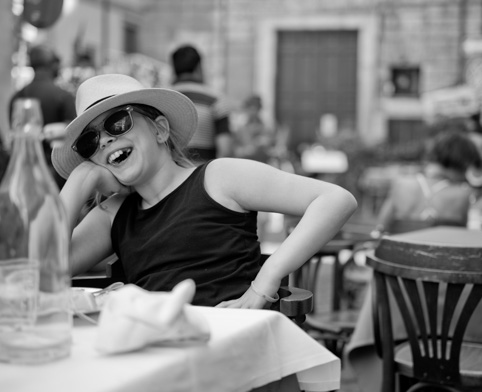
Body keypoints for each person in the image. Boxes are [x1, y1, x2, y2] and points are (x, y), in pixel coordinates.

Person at [52, 74, 357, 308]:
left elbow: (335, 199)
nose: (104, 140)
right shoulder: (113, 214)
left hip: (229, 349)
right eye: (90, 141)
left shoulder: (218, 178)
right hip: (155, 358)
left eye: (118, 123)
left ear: (160, 129)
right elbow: (42, 272)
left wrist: (265, 282)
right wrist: (82, 179)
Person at [371, 131, 480, 237]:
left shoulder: (401, 184)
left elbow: (380, 228)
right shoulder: (463, 194)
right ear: (463, 162)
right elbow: (465, 237)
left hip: (398, 253)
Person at [9, 44, 76, 188]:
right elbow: (75, 136)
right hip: (57, 176)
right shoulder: (64, 96)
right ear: (51, 64)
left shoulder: (16, 98)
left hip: (24, 174)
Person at [170, 45, 234, 163]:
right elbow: (225, 150)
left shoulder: (162, 99)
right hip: (202, 175)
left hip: (171, 177)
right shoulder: (215, 99)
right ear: (199, 67)